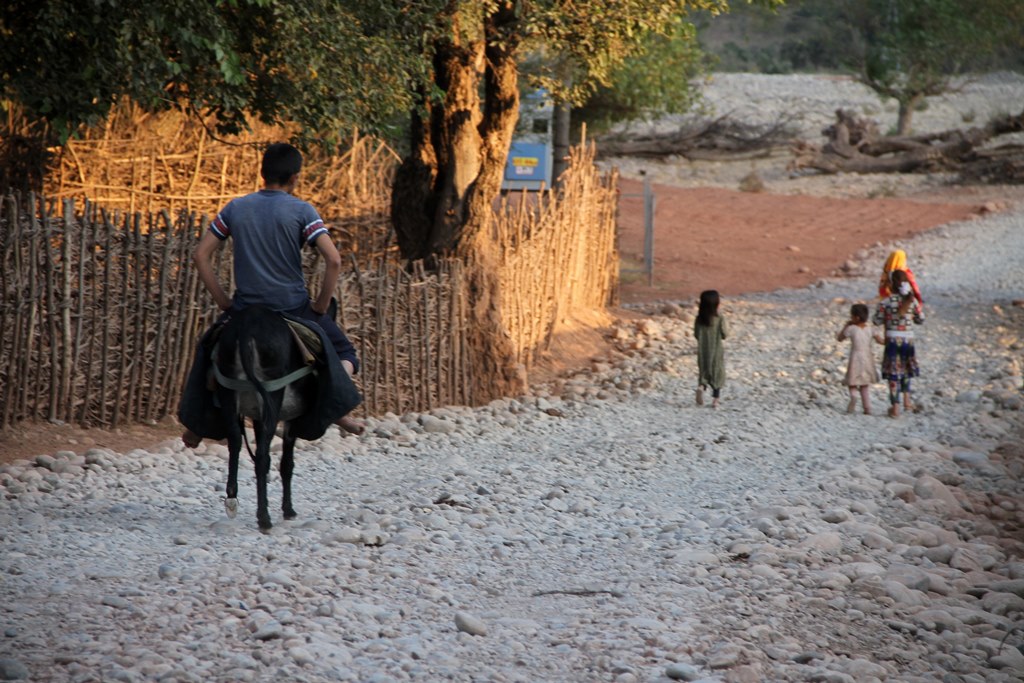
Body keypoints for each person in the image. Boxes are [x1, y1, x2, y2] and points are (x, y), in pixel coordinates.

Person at [182, 142, 363, 447]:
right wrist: (320, 305)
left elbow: (200, 255)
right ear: (295, 178)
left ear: (262, 173)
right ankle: (337, 409)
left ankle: (197, 425)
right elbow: (334, 260)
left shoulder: (235, 208)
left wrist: (224, 302)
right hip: (291, 307)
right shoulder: (302, 211)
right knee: (344, 352)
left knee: (207, 350)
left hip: (245, 308)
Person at [874, 269, 924, 418]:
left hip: (892, 341)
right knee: (906, 370)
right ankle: (907, 402)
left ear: (891, 284)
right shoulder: (912, 301)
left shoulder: (886, 302)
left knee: (893, 373)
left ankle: (895, 407)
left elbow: (876, 320)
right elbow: (920, 319)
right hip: (908, 340)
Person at [836, 303, 883, 415]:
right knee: (864, 384)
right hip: (867, 358)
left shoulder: (851, 329)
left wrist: (846, 326)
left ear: (856, 317)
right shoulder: (871, 329)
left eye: (851, 316)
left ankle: (853, 396)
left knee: (852, 381)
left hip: (855, 357)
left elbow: (840, 338)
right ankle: (867, 408)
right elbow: (880, 341)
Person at [694, 290, 728, 408]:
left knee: (704, 371)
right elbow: (725, 334)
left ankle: (701, 387)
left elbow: (696, 334)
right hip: (716, 350)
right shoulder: (719, 318)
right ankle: (715, 401)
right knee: (717, 373)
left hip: (703, 351)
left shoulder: (699, 318)